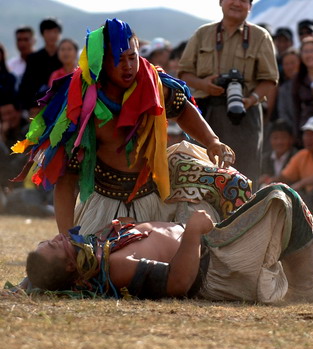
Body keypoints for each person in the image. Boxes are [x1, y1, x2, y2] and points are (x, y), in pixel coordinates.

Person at [12, 19, 238, 235]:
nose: (128, 66)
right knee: (95, 269)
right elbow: (66, 177)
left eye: (133, 57)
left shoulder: (154, 85)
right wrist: (65, 236)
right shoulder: (81, 105)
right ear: (102, 61)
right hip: (104, 205)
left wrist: (212, 141)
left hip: (155, 196)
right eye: (118, 59)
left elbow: (182, 108)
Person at [25, 183, 313, 303]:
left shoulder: (99, 249)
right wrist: (193, 233)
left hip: (210, 244)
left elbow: (41, 276)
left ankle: (304, 283)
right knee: (282, 197)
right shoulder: (113, 267)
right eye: (54, 246)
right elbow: (179, 282)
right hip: (217, 267)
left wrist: (128, 229)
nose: (57, 238)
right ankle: (307, 286)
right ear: (70, 266)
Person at [178, 0, 279, 190]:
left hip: (245, 112)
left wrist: (250, 99)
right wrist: (204, 84)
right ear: (221, 0)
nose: (237, 3)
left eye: (243, 0)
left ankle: (243, 217)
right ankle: (202, 218)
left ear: (250, 7)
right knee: (203, 165)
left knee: (244, 169)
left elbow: (270, 79)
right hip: (206, 109)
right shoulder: (202, 34)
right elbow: (184, 73)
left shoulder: (260, 37)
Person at [18, 18, 62, 115]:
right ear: (42, 34)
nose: (52, 35)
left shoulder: (65, 57)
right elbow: (26, 86)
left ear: (59, 34)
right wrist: (31, 106)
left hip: (62, 106)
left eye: (55, 32)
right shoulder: (34, 58)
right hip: (37, 108)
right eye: (48, 32)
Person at [292, 37, 313, 146]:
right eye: (305, 51)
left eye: (312, 51)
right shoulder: (298, 78)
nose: (309, 55)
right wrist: (297, 133)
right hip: (306, 126)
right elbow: (296, 109)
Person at [259, 119, 298, 188]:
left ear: (291, 139)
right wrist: (260, 180)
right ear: (270, 139)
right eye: (275, 138)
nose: (279, 142)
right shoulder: (264, 159)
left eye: (283, 137)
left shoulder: (297, 157)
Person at [276, 47, 301, 130]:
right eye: (286, 64)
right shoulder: (283, 88)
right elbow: (283, 113)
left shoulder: (308, 83)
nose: (290, 67)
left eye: (293, 63)